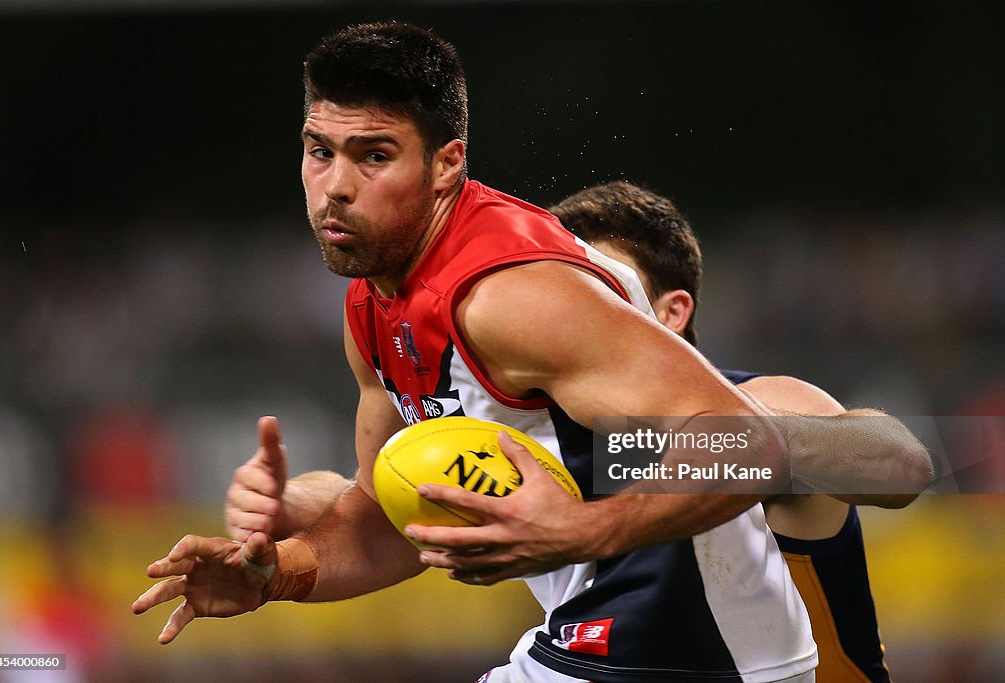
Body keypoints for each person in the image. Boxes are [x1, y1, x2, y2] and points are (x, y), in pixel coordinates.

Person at [133, 22, 930, 683]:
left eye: (373, 155)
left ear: (447, 165)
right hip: (593, 646)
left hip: (696, 664)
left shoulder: (518, 300)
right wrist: (276, 571)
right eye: (319, 151)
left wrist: (588, 528)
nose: (334, 186)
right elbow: (391, 520)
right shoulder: (374, 308)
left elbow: (757, 443)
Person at [547, 180, 901, 682]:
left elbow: (897, 461)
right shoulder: (553, 436)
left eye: (601, 291)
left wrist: (756, 447)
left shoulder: (755, 402)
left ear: (672, 313)